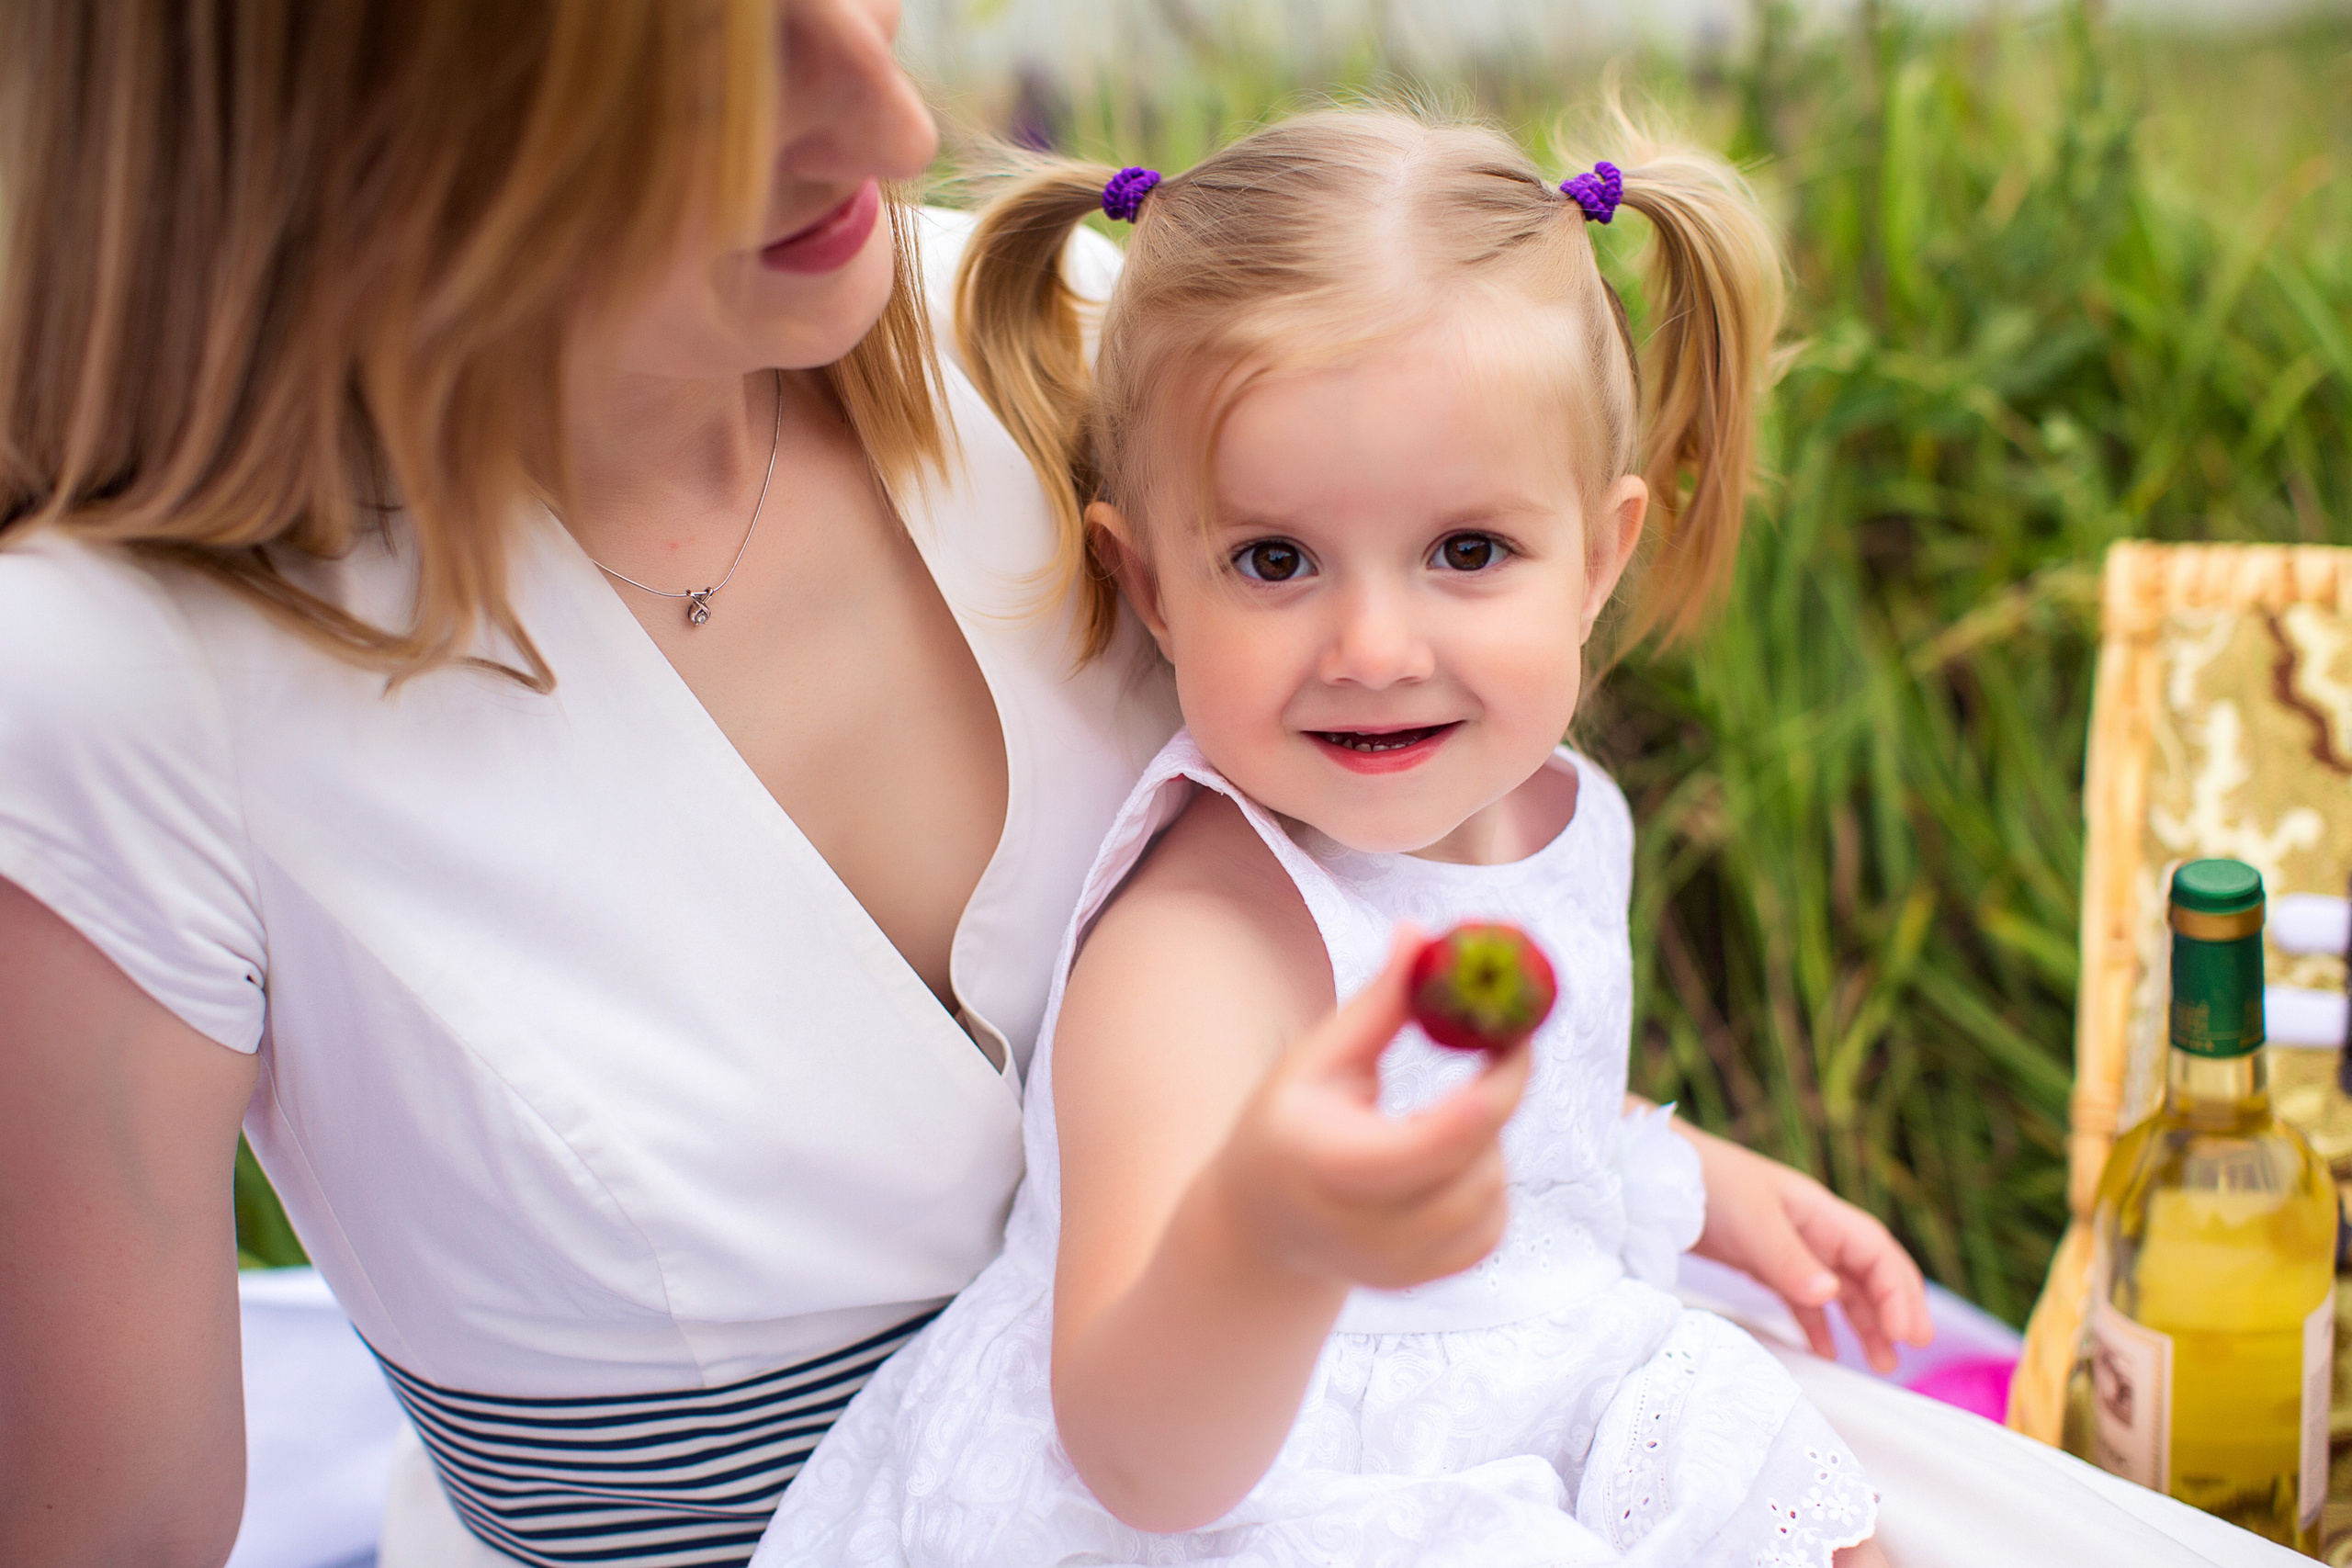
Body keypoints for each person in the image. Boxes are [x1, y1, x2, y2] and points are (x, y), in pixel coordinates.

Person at [0, 8, 1935, 1568]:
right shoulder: (113, 687)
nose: (895, 117)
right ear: (349, 118)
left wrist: (1644, 1167)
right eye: (703, 68)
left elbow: (1395, 892)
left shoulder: (1054, 332)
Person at [752, 107, 1927, 1568]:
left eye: (1467, 552)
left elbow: (1516, 1114)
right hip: (1265, 1478)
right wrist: (1269, 1237)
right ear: (1155, 585)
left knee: (1826, 1518)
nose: (1374, 646)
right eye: (1275, 560)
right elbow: (1135, 1456)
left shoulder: (1560, 807)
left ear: (1600, 554)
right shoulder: (1209, 938)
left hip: (1512, 1373)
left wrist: (1698, 1188)